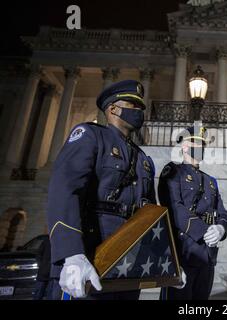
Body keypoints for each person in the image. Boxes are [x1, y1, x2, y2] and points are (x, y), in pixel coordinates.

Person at [46, 80, 157, 300]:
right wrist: (71, 253)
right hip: (91, 255)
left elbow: (149, 213)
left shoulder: (143, 159)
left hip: (128, 262)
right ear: (113, 108)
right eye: (133, 106)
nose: (139, 112)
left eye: (141, 108)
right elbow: (65, 190)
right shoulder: (90, 135)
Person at [158, 125, 227, 300]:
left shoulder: (210, 181)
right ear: (184, 146)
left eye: (202, 144)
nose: (200, 148)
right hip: (183, 251)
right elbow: (174, 207)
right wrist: (205, 230)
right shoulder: (173, 172)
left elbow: (222, 211)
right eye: (195, 143)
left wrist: (220, 229)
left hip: (208, 253)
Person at [33, 234, 51, 300]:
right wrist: (42, 265)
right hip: (43, 274)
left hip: (53, 276)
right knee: (38, 295)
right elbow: (39, 254)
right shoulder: (47, 241)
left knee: (51, 296)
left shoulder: (60, 241)